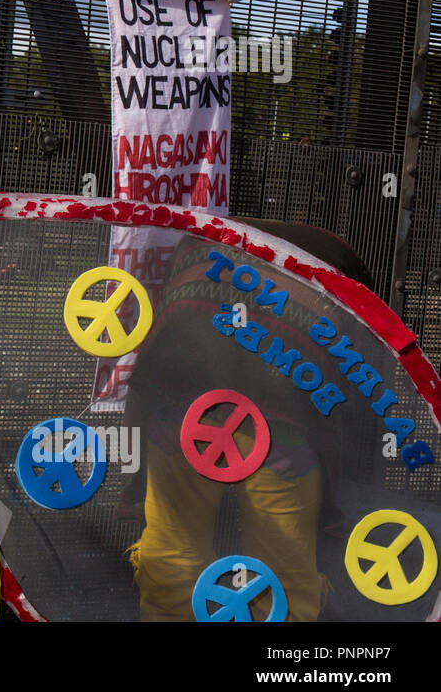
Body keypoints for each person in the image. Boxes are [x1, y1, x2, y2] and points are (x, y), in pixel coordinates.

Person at [123, 220, 372, 621]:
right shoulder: (336, 279)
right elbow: (349, 384)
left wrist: (133, 465)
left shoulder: (199, 248)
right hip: (282, 425)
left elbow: (153, 363)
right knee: (284, 576)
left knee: (172, 557)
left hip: (183, 407)